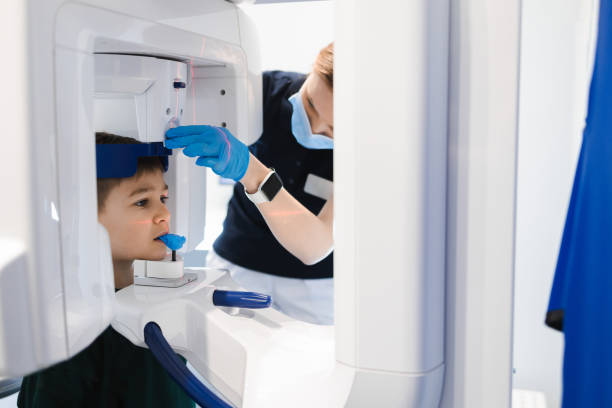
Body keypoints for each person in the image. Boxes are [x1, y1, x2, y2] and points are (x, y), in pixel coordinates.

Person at [18, 133, 194, 408]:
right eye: (142, 202)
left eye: (163, 197)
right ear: (83, 214)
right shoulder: (76, 327)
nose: (164, 214)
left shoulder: (144, 305)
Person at [165, 43, 335, 325]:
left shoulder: (366, 151)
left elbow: (315, 247)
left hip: (315, 290)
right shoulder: (263, 92)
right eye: (310, 105)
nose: (316, 128)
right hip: (237, 266)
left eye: (334, 129)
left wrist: (251, 171)